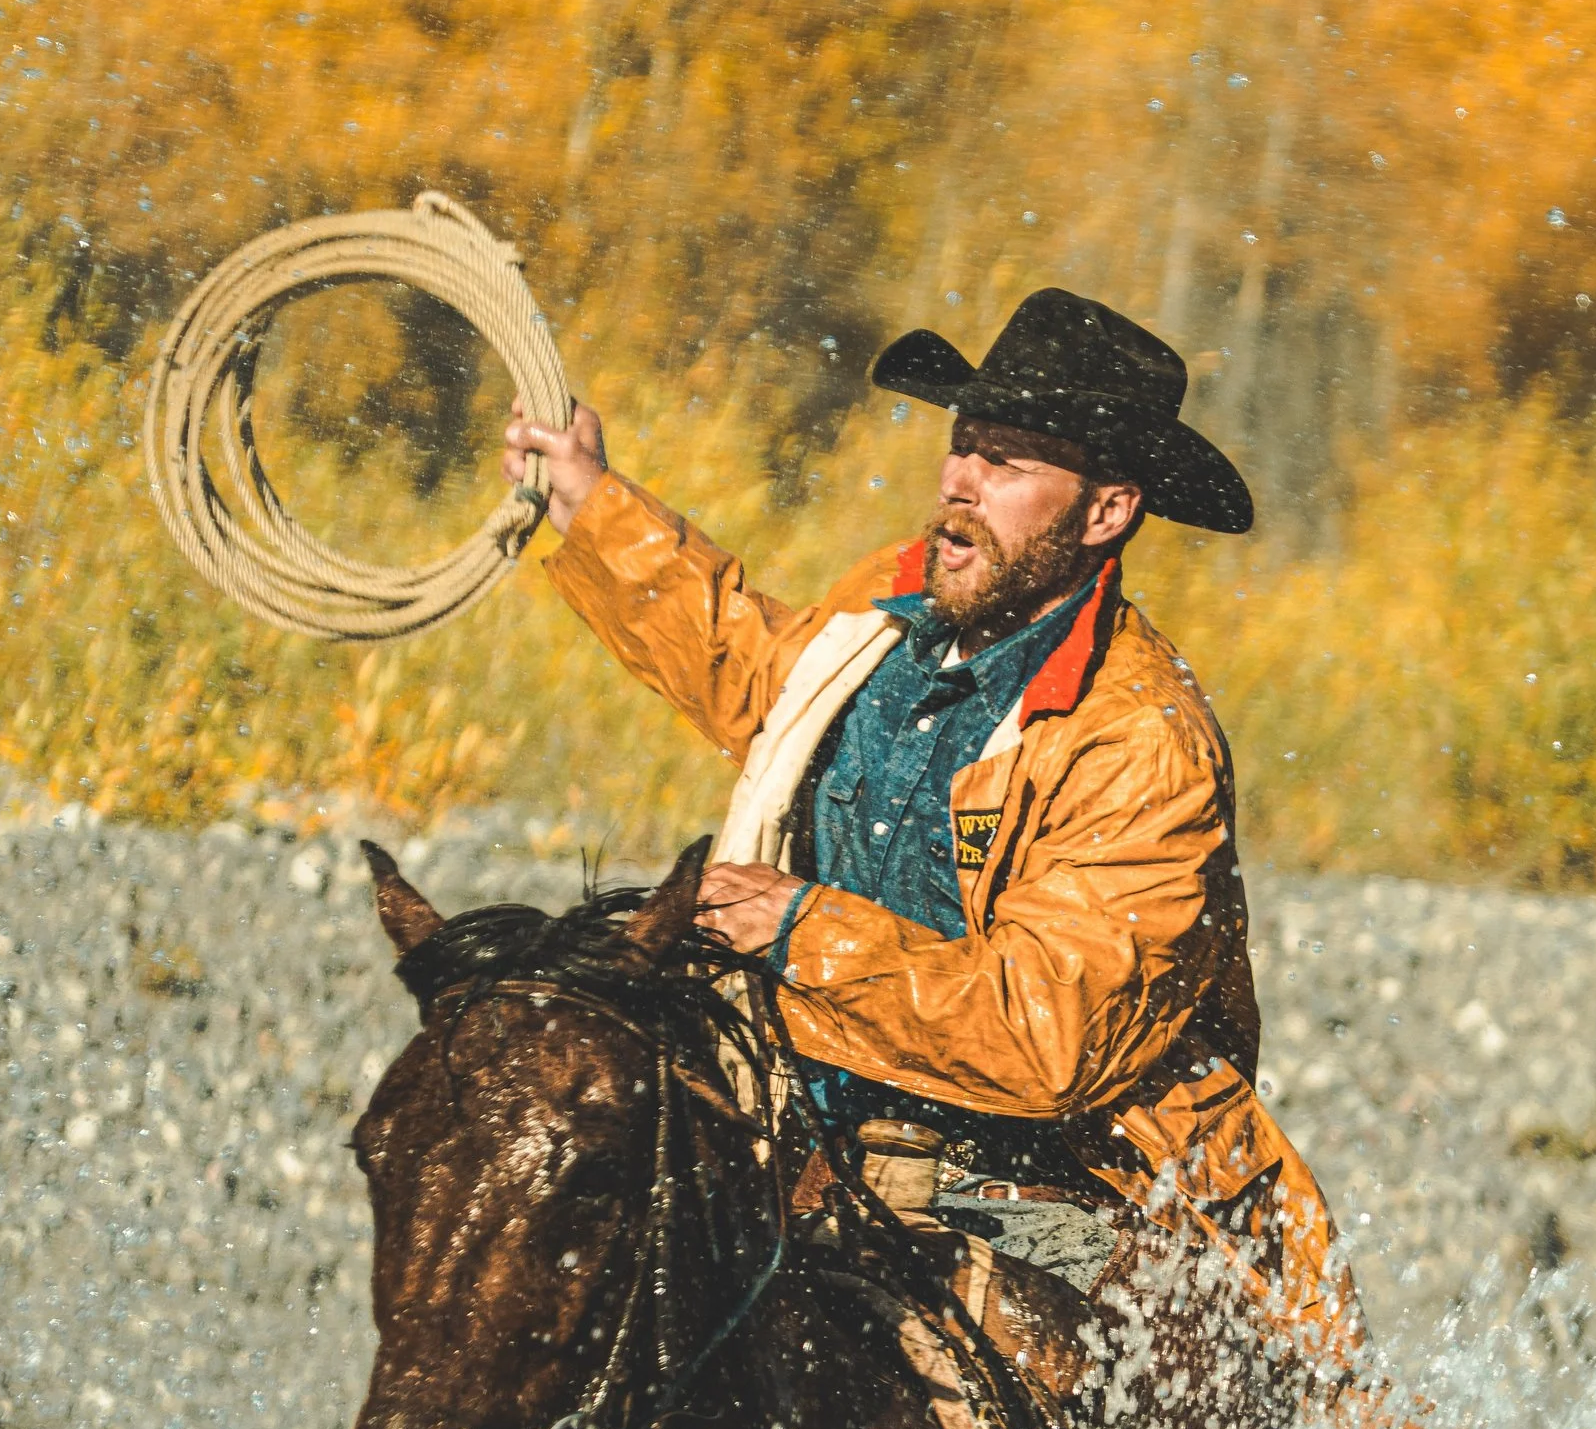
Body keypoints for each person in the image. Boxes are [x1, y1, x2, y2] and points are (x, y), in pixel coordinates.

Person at [504, 288, 1357, 1356]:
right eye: (964, 442)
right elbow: (766, 683)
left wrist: (797, 929)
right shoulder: (894, 604)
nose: (960, 480)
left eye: (1007, 461)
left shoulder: (1141, 741)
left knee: (1019, 1381)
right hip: (803, 1122)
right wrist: (591, 504)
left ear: (1105, 513)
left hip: (1051, 1180)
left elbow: (1046, 1034)